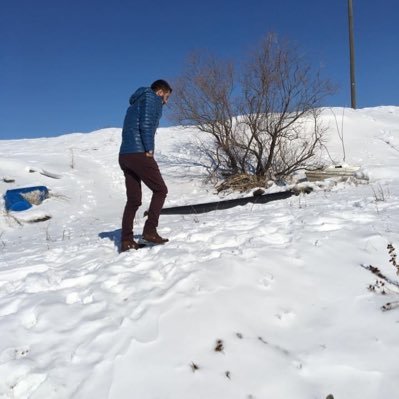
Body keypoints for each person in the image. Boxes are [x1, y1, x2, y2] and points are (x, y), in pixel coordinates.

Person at [119, 79, 172, 252]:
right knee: (160, 190)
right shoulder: (151, 98)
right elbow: (146, 125)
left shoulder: (135, 103)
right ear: (160, 92)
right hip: (139, 152)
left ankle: (126, 240)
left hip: (125, 155)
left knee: (134, 200)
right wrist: (149, 149)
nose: (166, 101)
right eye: (166, 96)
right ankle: (149, 231)